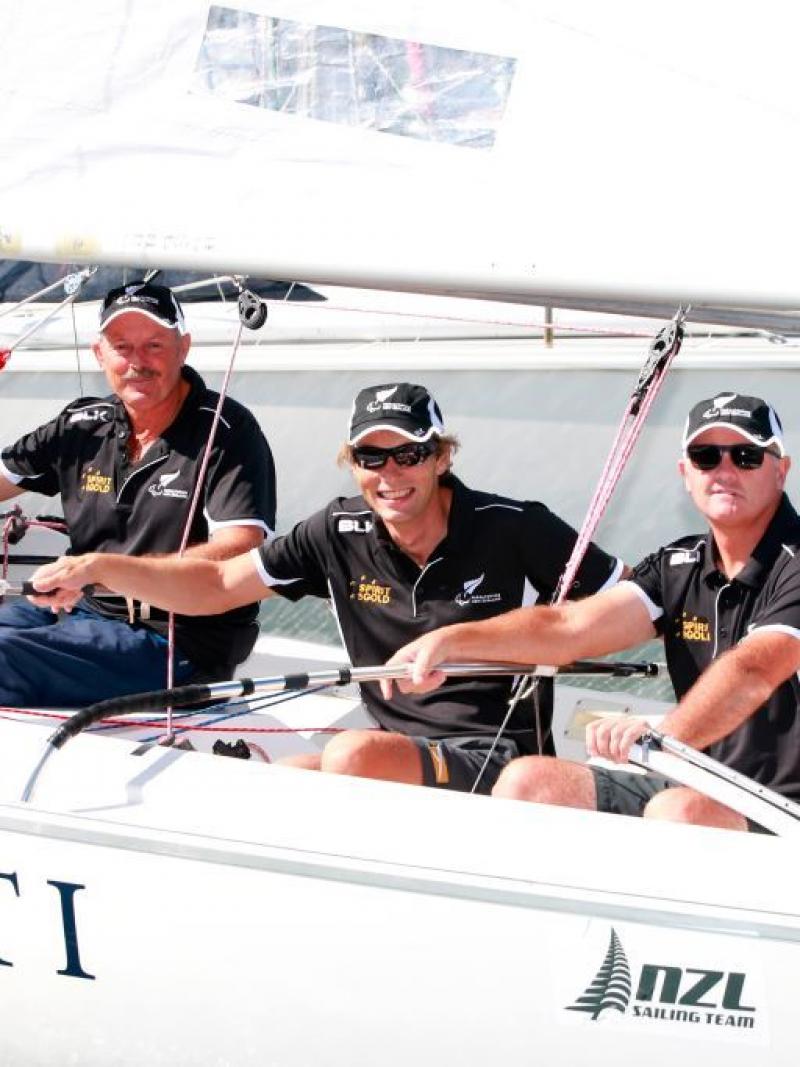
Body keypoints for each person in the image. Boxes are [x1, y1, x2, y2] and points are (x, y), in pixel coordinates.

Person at [29, 381, 624, 793]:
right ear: (352, 463)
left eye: (408, 455)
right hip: (391, 742)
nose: (389, 475)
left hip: (496, 753)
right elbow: (214, 583)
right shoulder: (337, 530)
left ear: (441, 458)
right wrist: (100, 566)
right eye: (371, 457)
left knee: (346, 756)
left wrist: (463, 641)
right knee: (270, 788)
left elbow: (629, 607)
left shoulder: (516, 527)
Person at [383, 391, 800, 831]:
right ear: (686, 473)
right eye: (706, 456)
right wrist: (450, 640)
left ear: (781, 470)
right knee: (529, 781)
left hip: (785, 806)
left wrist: (667, 736)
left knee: (677, 813)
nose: (725, 470)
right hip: (698, 782)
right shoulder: (680, 565)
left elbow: (756, 670)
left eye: (747, 456)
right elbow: (568, 627)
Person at [0, 281, 276, 706]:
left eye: (154, 345)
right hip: (82, 613)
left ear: (183, 348)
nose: (137, 362)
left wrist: (101, 569)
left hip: (176, 640)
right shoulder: (82, 423)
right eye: (122, 347)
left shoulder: (227, 432)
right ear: (100, 355)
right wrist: (91, 574)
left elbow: (239, 553)